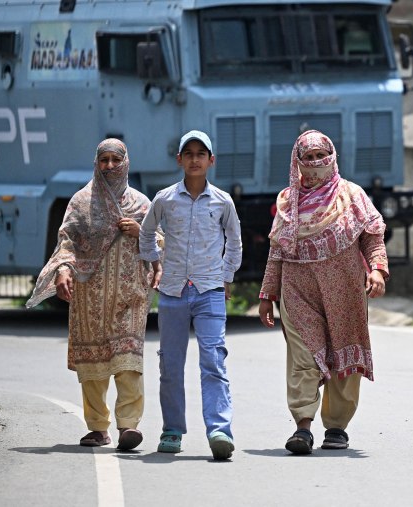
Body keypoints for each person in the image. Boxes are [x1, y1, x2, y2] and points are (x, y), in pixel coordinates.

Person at [257, 129, 388, 455]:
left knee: (345, 351)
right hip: (298, 292)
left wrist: (377, 270)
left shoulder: (353, 195)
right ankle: (303, 425)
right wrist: (267, 294)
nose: (316, 162)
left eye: (321, 155)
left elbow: (372, 237)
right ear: (297, 162)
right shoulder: (288, 201)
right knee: (303, 357)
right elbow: (276, 251)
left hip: (345, 292)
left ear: (332, 157)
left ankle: (336, 427)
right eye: (309, 157)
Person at [26, 138, 153, 451]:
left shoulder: (142, 205)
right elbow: (66, 241)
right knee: (93, 366)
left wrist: (142, 232)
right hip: (89, 298)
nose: (109, 165)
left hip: (129, 296)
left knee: (128, 361)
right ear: (96, 163)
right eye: (104, 160)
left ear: (126, 163)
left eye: (115, 160)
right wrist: (63, 271)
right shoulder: (81, 202)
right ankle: (97, 427)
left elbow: (162, 243)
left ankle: (128, 426)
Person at [138, 130, 242, 460]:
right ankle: (172, 430)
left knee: (213, 360)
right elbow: (145, 235)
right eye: (189, 153)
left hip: (209, 290)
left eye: (201, 153)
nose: (195, 159)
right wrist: (156, 265)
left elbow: (234, 241)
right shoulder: (165, 199)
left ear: (211, 160)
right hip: (171, 293)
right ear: (179, 159)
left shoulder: (223, 201)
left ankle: (219, 430)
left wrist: (226, 276)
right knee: (171, 364)